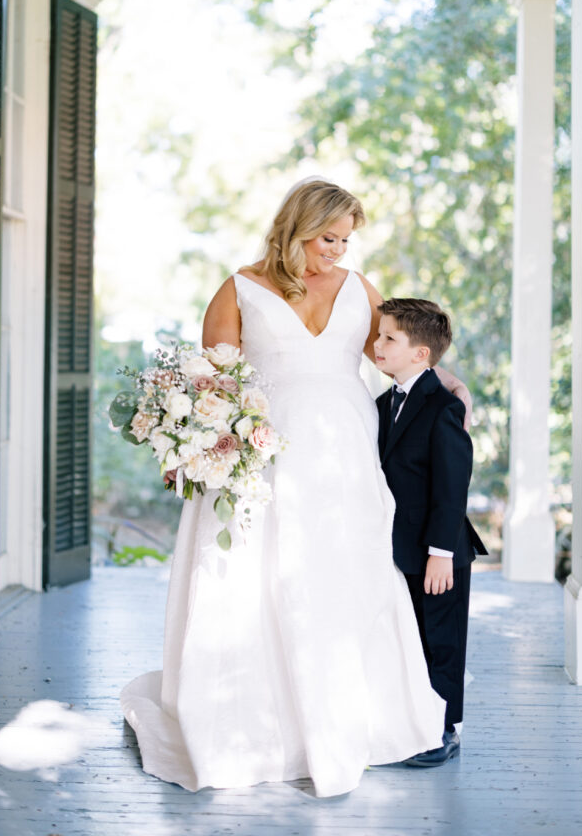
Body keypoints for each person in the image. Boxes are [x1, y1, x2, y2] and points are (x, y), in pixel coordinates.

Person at [121, 180, 471, 798]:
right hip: (265, 456)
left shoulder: (360, 289)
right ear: (294, 229)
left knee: (347, 574)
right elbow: (212, 383)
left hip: (346, 458)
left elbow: (396, 355)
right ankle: (254, 723)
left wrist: (446, 387)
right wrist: (197, 444)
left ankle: (361, 716)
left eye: (345, 240)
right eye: (326, 238)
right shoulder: (239, 289)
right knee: (255, 578)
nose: (337, 250)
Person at [373, 298, 487, 767]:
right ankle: (411, 719)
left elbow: (451, 486)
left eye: (388, 339)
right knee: (410, 637)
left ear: (421, 354)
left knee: (441, 641)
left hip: (439, 551)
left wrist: (441, 552)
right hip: (396, 546)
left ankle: (444, 728)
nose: (376, 345)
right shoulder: (382, 403)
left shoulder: (443, 408)